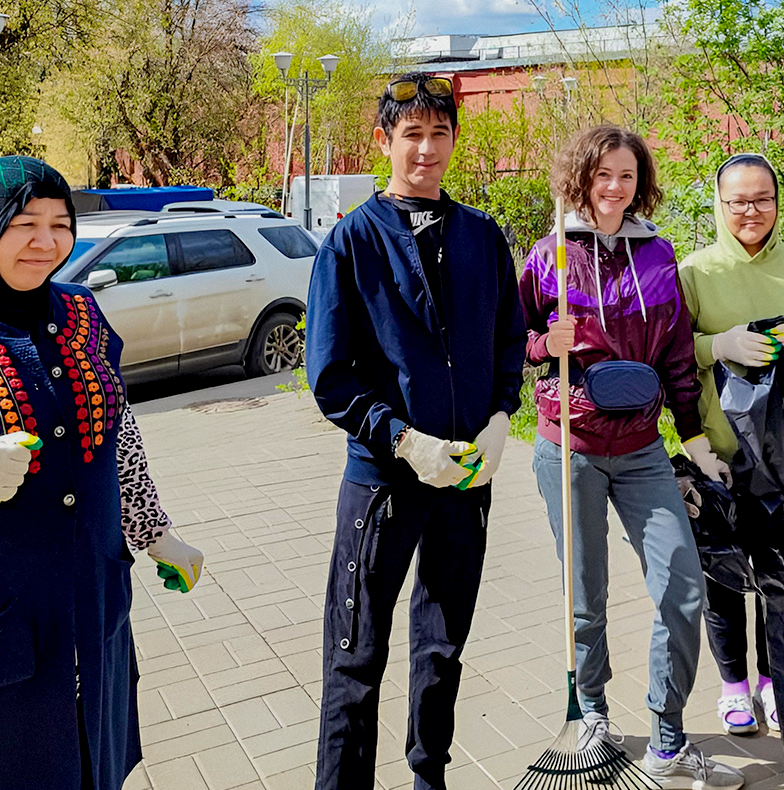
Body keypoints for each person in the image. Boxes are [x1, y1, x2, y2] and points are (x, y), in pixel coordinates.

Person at [0, 155, 203, 790]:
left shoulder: (83, 315)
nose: (48, 242)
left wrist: (157, 534)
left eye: (61, 224)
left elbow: (119, 439)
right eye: (25, 223)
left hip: (87, 626)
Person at [306, 73, 525, 790]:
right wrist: (402, 440)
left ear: (454, 141)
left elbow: (506, 342)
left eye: (439, 135)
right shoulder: (351, 243)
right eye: (411, 136)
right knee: (355, 655)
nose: (425, 150)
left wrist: (499, 420)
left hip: (464, 479)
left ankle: (428, 774)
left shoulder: (483, 237)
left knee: (442, 647)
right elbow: (331, 375)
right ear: (384, 142)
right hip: (384, 484)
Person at [520, 124, 744, 790]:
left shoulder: (658, 255)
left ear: (639, 182)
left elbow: (677, 354)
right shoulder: (549, 255)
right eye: (602, 175)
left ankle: (667, 743)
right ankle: (592, 716)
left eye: (626, 176)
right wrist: (542, 344)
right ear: (581, 178)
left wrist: (694, 437)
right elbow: (513, 339)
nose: (614, 188)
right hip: (572, 448)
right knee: (584, 600)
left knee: (682, 588)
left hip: (644, 447)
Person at [678, 153, 784, 735]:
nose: (751, 212)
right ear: (720, 205)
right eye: (738, 202)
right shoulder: (695, 273)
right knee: (724, 578)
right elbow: (674, 355)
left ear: (778, 201)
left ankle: (777, 679)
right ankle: (733, 687)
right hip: (721, 453)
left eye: (762, 199)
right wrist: (718, 345)